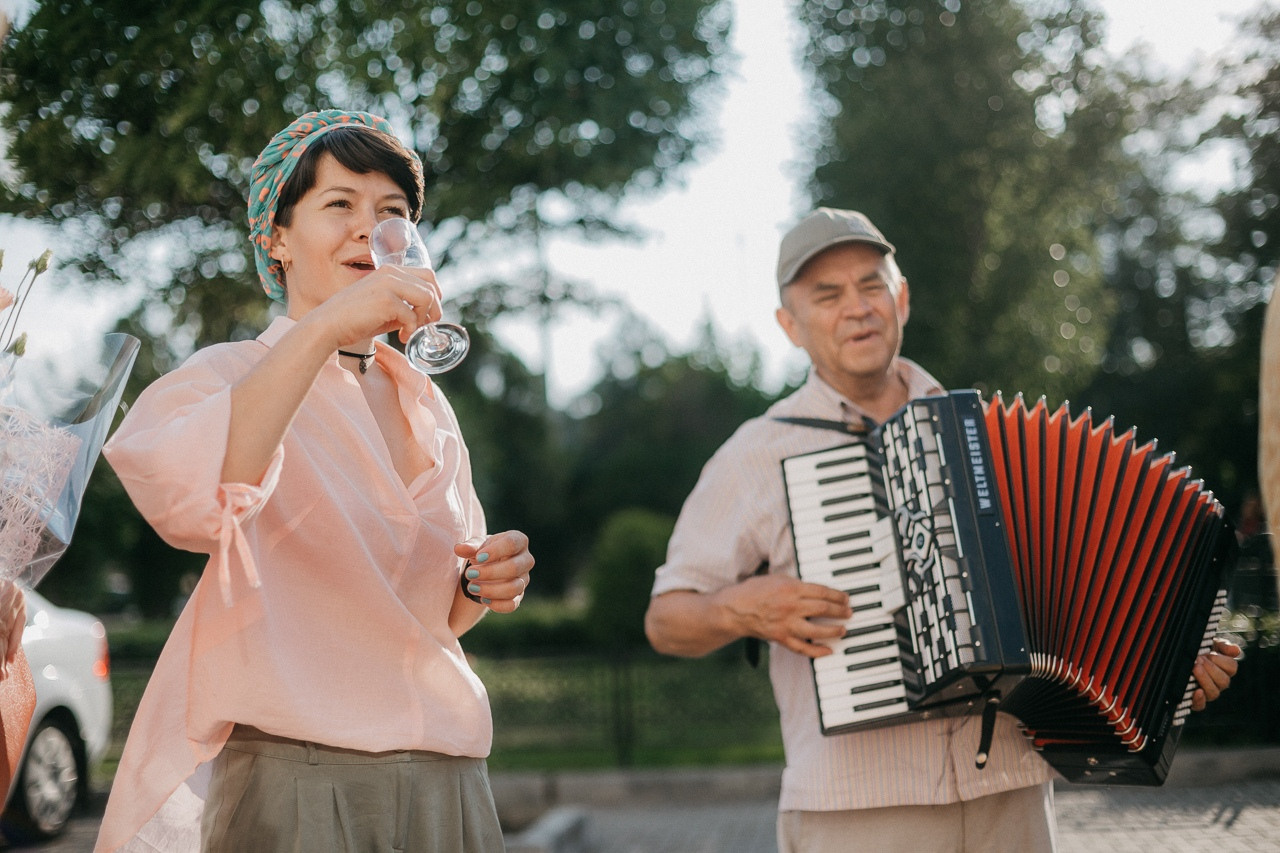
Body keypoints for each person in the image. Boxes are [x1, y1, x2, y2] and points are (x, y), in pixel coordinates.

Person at [644, 207, 1241, 853]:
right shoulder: (756, 453)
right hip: (858, 810)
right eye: (828, 294)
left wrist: (1177, 657)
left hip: (1010, 798)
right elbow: (666, 618)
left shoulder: (987, 435)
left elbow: (1088, 570)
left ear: (901, 297)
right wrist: (739, 607)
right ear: (790, 325)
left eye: (872, 285)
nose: (857, 308)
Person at [96, 110, 533, 853]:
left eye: (393, 211)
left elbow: (435, 611)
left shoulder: (426, 402)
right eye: (341, 205)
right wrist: (326, 328)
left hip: (448, 781)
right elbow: (194, 506)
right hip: (300, 783)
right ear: (277, 239)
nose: (372, 227)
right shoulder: (224, 376)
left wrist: (479, 585)